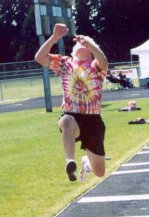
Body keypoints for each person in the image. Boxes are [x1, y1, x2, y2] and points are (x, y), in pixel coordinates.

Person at [34, 23, 108, 182]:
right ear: (74, 51)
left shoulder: (96, 66)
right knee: (66, 120)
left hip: (93, 120)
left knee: (100, 172)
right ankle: (70, 161)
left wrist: (89, 42)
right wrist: (54, 37)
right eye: (80, 43)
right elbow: (39, 58)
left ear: (91, 50)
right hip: (72, 116)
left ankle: (86, 163)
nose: (82, 44)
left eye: (86, 44)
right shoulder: (65, 63)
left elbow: (103, 61)